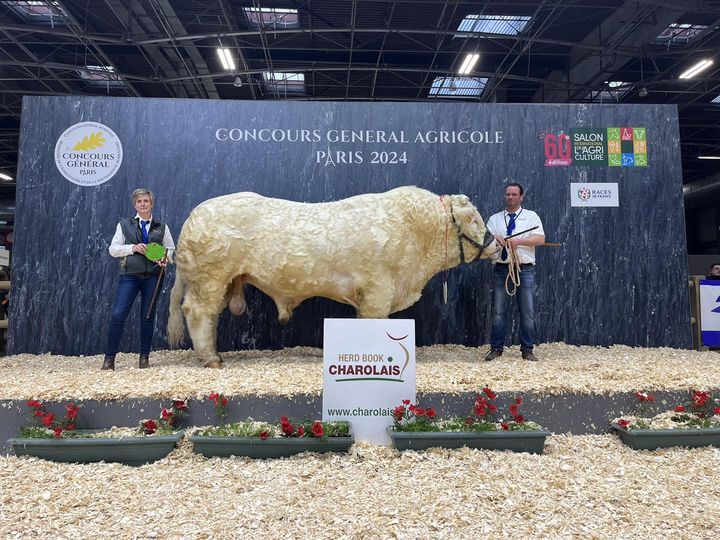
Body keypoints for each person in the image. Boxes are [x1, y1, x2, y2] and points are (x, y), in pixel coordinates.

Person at [102, 188, 175, 370]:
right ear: (135, 204)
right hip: (129, 276)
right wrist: (133, 248)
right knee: (118, 315)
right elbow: (113, 249)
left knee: (147, 317)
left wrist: (164, 257)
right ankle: (109, 359)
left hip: (153, 276)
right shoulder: (124, 225)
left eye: (146, 201)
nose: (143, 204)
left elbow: (171, 250)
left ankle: (144, 358)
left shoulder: (162, 227)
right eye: (139, 201)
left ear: (151, 204)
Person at [484, 183, 545, 362]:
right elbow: (485, 238)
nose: (510, 197)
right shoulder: (494, 219)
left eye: (514, 194)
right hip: (501, 268)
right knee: (498, 311)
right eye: (508, 194)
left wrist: (519, 241)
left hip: (524, 269)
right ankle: (496, 348)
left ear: (521, 197)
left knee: (527, 311)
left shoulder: (531, 217)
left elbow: (540, 238)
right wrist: (495, 238)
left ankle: (527, 349)